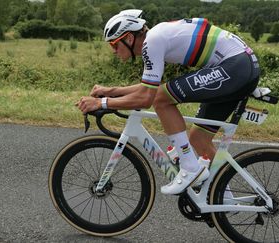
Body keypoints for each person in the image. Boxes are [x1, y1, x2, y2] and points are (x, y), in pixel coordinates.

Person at [76, 9, 260, 195]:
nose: (114, 51)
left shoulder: (152, 42)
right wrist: (111, 91)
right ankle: (223, 197)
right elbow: (149, 87)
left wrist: (101, 103)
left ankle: (190, 168)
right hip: (237, 66)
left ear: (129, 39)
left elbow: (148, 98)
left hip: (235, 67)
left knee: (162, 100)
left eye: (114, 45)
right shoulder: (156, 38)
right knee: (198, 138)